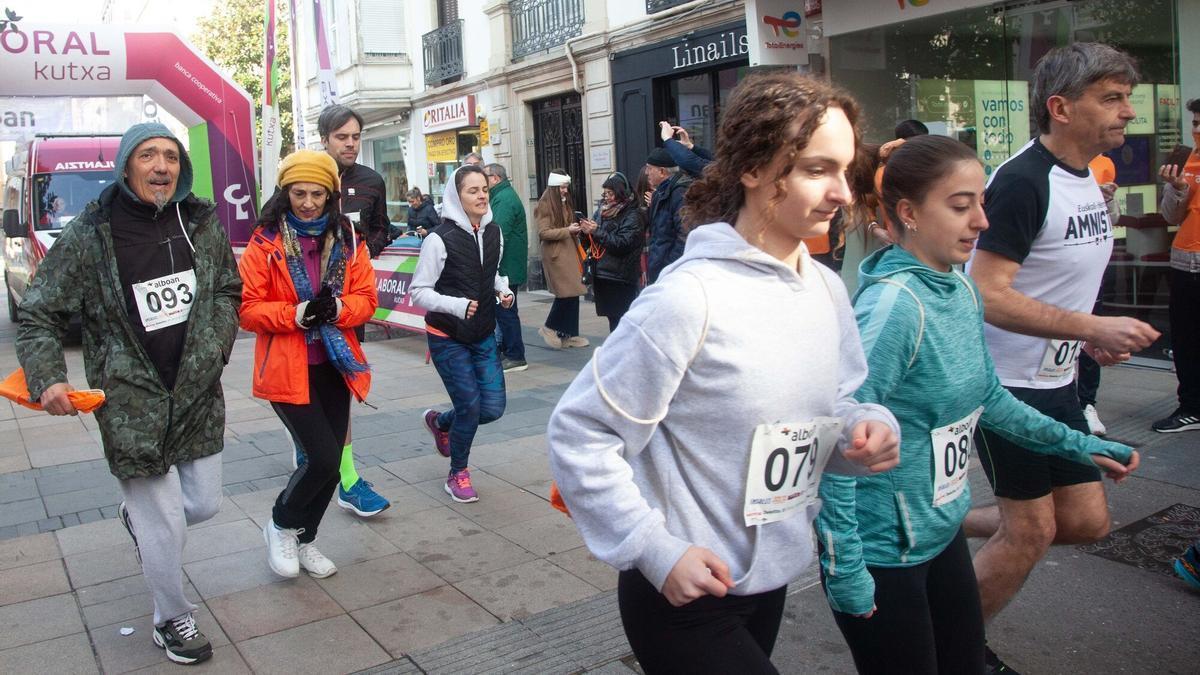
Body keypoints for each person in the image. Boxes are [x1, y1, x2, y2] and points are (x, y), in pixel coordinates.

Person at [547, 72, 901, 675]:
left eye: (846, 170)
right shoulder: (687, 300)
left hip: (770, 575)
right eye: (818, 169)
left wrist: (864, 426)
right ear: (754, 169)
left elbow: (838, 401)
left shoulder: (824, 287)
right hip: (683, 593)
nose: (843, 192)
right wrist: (655, 550)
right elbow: (580, 433)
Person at [816, 135, 1138, 675]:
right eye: (961, 206)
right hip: (881, 553)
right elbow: (836, 439)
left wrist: (1081, 444)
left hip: (937, 531)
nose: (982, 222)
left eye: (981, 203)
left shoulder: (960, 290)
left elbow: (990, 398)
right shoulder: (896, 308)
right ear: (908, 213)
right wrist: (845, 566)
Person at [962, 43, 1160, 673]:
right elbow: (985, 295)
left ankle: (937, 522)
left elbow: (1056, 281)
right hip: (1007, 384)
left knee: (1084, 520)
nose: (1129, 112)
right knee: (1031, 530)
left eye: (1127, 97)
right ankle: (951, 650)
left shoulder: (1088, 178)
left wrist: (1086, 339)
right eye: (1111, 98)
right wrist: (1089, 324)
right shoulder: (1022, 182)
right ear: (1060, 107)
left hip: (1059, 379)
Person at [16, 122, 242, 665]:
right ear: (126, 165)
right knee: (162, 525)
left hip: (196, 391)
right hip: (129, 398)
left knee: (204, 504)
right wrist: (48, 376)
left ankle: (139, 520)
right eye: (148, 156)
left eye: (169, 156)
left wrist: (214, 348)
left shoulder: (201, 220)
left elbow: (228, 288)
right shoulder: (91, 233)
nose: (161, 166)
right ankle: (172, 618)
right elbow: (39, 312)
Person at [241, 150, 376, 580]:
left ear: (331, 194)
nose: (308, 202)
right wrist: (293, 315)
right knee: (320, 458)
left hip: (336, 364)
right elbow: (247, 309)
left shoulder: (350, 240)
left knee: (334, 465)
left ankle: (305, 538)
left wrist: (337, 307)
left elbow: (367, 300)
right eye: (299, 193)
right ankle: (280, 525)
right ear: (285, 193)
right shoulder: (265, 242)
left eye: (317, 193)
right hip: (286, 366)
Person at [305, 104, 392, 517]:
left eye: (356, 136)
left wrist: (359, 253)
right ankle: (312, 449)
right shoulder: (303, 177)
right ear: (325, 139)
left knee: (342, 381)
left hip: (348, 306)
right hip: (303, 305)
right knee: (307, 382)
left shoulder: (371, 181)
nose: (351, 144)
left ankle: (348, 477)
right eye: (342, 137)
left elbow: (381, 229)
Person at [413, 165, 513, 503]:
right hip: (447, 335)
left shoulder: (494, 232)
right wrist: (456, 305)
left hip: (483, 330)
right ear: (457, 196)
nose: (482, 195)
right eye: (473, 190)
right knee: (470, 407)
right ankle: (458, 472)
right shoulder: (439, 239)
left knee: (493, 408)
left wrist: (502, 289)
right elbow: (419, 292)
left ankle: (442, 423)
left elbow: (492, 271)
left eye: (484, 188)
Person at [1154, 98, 1200, 433]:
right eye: (1195, 123)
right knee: (1185, 340)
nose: (1197, 130)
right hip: (1185, 263)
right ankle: (1192, 407)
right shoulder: (1189, 160)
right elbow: (1170, 216)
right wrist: (1178, 188)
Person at [1076, 153, 1123, 436]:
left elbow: (1112, 217)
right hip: (1067, 269)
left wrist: (1107, 199)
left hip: (1094, 265)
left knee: (1090, 337)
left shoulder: (1105, 164)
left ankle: (1087, 403)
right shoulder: (1049, 166)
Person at [579, 172, 644, 332]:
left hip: (620, 277)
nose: (606, 197)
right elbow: (590, 243)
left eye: (610, 193)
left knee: (622, 321)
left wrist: (597, 231)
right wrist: (584, 232)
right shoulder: (602, 211)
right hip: (603, 274)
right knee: (612, 319)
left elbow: (622, 244)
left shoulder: (633, 215)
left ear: (621, 193)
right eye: (605, 193)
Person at [646, 123, 709, 283]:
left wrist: (669, 267)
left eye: (649, 168)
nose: (646, 173)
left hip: (671, 273)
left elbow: (684, 234)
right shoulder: (662, 192)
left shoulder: (679, 192)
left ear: (662, 171)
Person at [535, 171, 589, 349]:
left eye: (566, 187)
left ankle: (568, 334)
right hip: (557, 255)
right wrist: (568, 230)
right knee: (566, 293)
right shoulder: (545, 205)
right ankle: (549, 327)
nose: (565, 191)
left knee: (573, 293)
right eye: (562, 187)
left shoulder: (561, 202)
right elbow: (543, 233)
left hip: (567, 252)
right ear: (554, 187)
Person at [485, 163, 529, 372]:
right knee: (505, 311)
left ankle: (515, 355)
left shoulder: (503, 199)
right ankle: (508, 351)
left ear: (495, 178)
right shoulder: (501, 196)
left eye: (485, 178)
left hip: (507, 266)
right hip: (508, 265)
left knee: (506, 311)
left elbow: (497, 234)